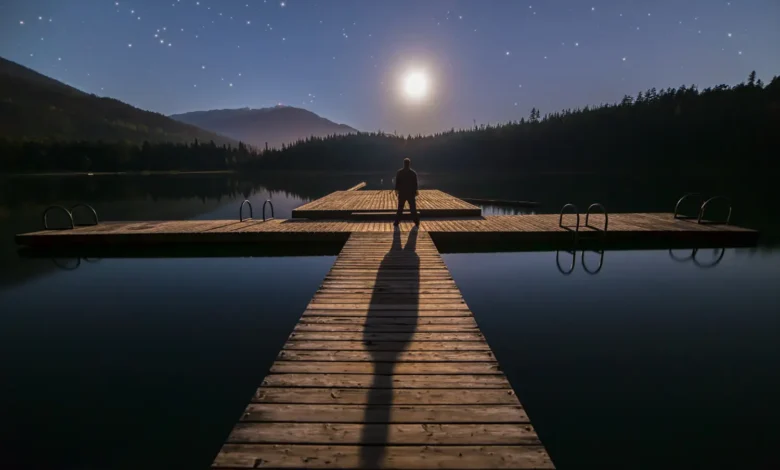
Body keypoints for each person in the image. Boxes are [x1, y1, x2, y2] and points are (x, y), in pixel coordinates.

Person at [394, 157, 420, 226]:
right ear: (409, 164)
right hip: (410, 193)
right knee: (413, 209)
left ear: (404, 164)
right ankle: (416, 222)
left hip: (402, 193)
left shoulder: (399, 172)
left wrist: (396, 190)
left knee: (400, 208)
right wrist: (416, 191)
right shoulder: (413, 173)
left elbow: (397, 183)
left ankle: (396, 222)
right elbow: (415, 184)